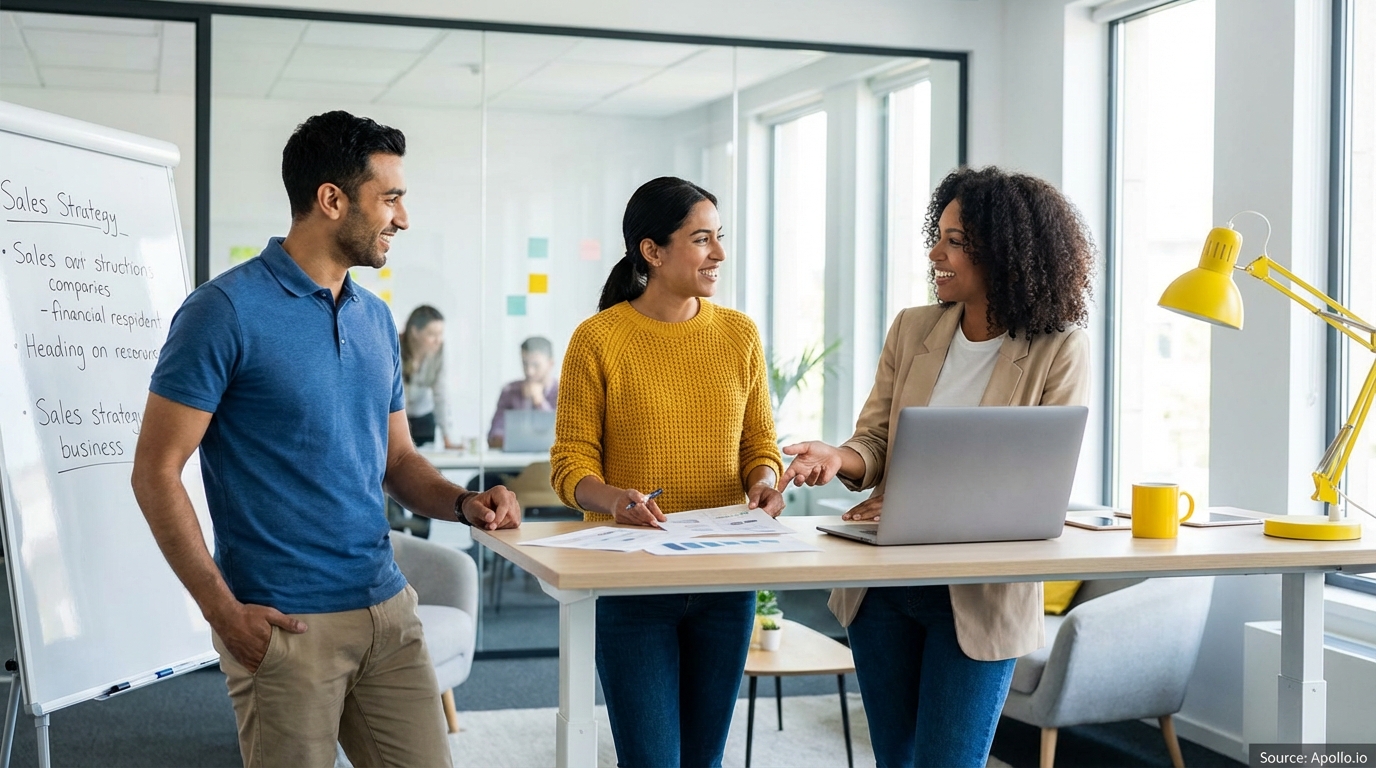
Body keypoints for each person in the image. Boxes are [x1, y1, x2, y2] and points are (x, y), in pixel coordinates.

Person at [130, 110, 521, 768]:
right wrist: (223, 613)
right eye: (390, 198)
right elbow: (155, 472)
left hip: (387, 609)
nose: (403, 218)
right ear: (331, 200)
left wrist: (463, 501)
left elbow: (397, 460)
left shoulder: (376, 320)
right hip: (288, 628)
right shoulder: (222, 313)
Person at [779, 166, 1095, 768]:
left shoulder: (1059, 348)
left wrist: (911, 506)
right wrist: (837, 456)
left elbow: (1035, 484)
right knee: (893, 759)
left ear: (1006, 253)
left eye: (957, 241)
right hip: (886, 589)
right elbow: (874, 439)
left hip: (980, 596)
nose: (936, 252)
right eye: (939, 234)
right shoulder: (914, 327)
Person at [550, 176, 785, 767]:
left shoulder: (739, 336)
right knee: (653, 759)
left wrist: (762, 479)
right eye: (702, 239)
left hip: (724, 579)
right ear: (651, 251)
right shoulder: (597, 340)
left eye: (719, 237)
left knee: (704, 760)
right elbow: (570, 464)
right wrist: (611, 500)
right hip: (633, 584)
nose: (719, 255)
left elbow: (760, 442)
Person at [401, 304, 459, 449]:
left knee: (424, 464)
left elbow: (441, 394)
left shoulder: (439, 351)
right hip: (397, 418)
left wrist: (447, 437)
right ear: (415, 332)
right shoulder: (395, 346)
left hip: (423, 418)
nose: (438, 341)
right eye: (432, 335)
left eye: (441, 334)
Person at [486, 336, 559, 449]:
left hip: (550, 463)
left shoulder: (564, 392)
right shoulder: (509, 391)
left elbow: (561, 437)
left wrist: (539, 402)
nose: (529, 371)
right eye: (525, 364)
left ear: (550, 364)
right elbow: (494, 435)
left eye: (536, 365)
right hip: (512, 463)